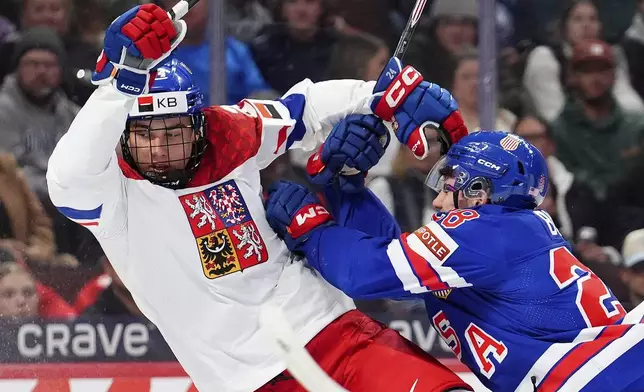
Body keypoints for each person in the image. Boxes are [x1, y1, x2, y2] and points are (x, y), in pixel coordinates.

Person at [46, 4, 472, 392]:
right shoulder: (112, 192)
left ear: (197, 125)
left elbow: (302, 109)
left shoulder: (226, 133)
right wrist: (118, 86)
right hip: (243, 381)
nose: (159, 149)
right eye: (145, 136)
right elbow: (66, 177)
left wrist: (382, 97)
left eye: (173, 133)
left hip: (332, 331)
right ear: (123, 136)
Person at [264, 122, 644, 390]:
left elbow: (365, 271)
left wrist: (310, 227)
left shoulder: (489, 232)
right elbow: (394, 272)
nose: (438, 200)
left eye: (449, 186)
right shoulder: (499, 237)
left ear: (478, 191)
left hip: (602, 374)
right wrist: (347, 188)